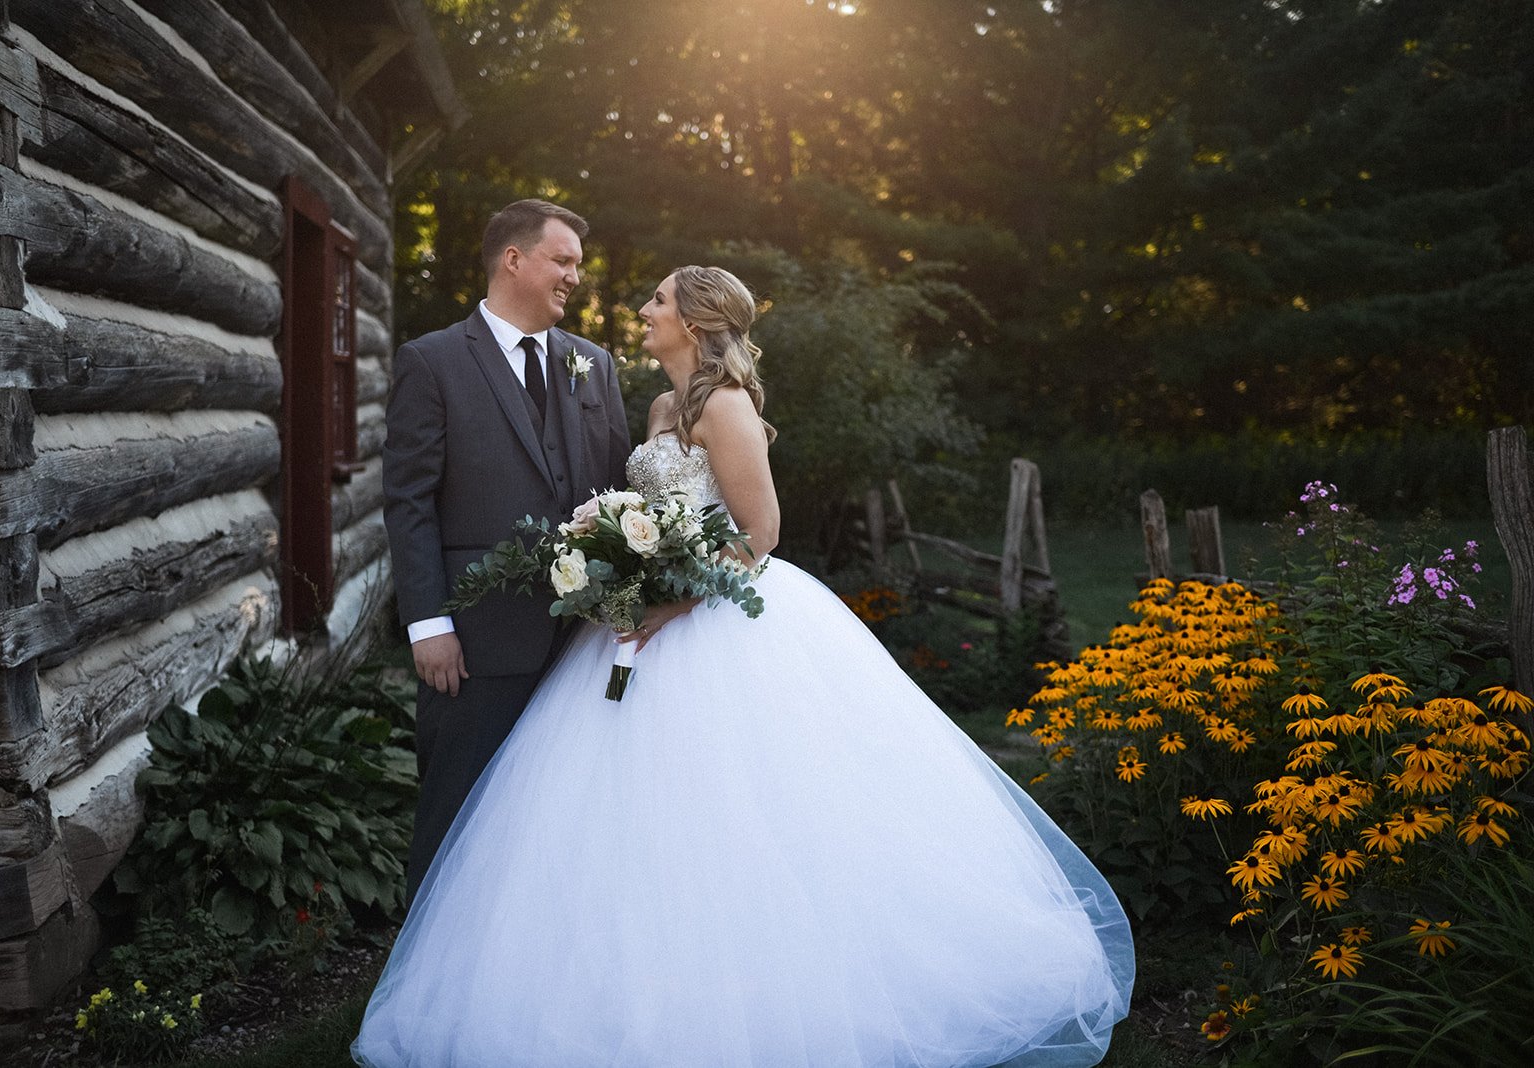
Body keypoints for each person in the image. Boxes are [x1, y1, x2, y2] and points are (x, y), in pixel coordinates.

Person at [355, 266, 1135, 1067]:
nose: (642, 309)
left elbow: (759, 532)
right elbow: (649, 512)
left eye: (656, 300)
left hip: (718, 620)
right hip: (633, 626)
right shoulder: (662, 407)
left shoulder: (725, 405)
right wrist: (617, 562)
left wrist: (676, 599)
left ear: (693, 323)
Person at [381, 199, 631, 903]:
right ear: (513, 260)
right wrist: (428, 625)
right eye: (563, 261)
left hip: (578, 641)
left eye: (578, 265)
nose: (575, 278)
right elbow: (409, 502)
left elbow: (616, 491)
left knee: (563, 818)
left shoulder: (594, 365)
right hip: (476, 639)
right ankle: (427, 979)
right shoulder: (431, 362)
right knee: (457, 813)